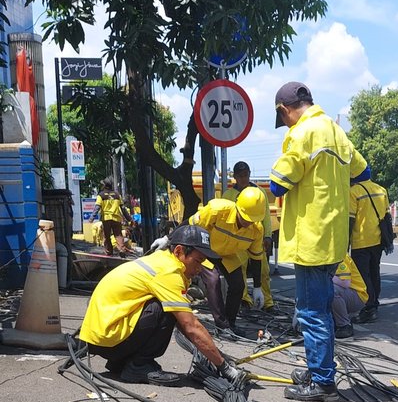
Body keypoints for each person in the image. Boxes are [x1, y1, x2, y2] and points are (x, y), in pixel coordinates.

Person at [270, 81, 367, 402]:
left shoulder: (301, 133)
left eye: (282, 118)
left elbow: (277, 185)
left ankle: (323, 383)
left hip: (311, 239)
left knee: (311, 311)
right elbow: (363, 172)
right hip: (334, 237)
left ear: (284, 110)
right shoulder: (337, 132)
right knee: (321, 307)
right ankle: (317, 367)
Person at [78, 224, 245, 386]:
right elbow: (190, 326)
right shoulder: (169, 272)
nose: (200, 268)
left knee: (168, 309)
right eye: (198, 261)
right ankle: (138, 366)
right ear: (179, 251)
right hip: (108, 340)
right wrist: (225, 367)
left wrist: (218, 356)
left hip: (104, 337)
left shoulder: (163, 260)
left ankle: (123, 363)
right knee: (166, 311)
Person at [189, 187, 266, 339]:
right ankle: (222, 326)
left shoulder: (256, 230)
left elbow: (256, 258)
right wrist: (168, 239)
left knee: (238, 284)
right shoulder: (217, 209)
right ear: (238, 207)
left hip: (227, 254)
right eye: (245, 217)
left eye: (252, 219)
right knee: (213, 280)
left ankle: (230, 323)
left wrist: (257, 286)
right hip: (206, 250)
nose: (247, 223)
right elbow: (190, 225)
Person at [222, 161, 275, 312]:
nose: (243, 179)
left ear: (249, 174)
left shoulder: (259, 193)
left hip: (256, 236)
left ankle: (267, 301)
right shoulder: (229, 195)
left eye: (245, 175)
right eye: (240, 176)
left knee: (263, 270)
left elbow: (265, 215)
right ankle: (245, 300)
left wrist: (268, 236)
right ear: (235, 177)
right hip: (238, 240)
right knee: (241, 270)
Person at [349, 171, 390, 323]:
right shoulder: (381, 190)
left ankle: (369, 307)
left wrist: (345, 242)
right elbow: (386, 216)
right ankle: (374, 303)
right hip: (378, 239)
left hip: (361, 241)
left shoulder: (354, 192)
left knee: (362, 276)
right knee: (374, 272)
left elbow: (350, 220)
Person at [89, 177, 133, 258]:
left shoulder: (101, 195)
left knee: (106, 236)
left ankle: (109, 252)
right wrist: (129, 219)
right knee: (118, 235)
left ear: (105, 186)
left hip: (106, 219)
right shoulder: (117, 195)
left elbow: (97, 207)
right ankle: (122, 249)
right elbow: (123, 208)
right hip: (116, 219)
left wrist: (92, 217)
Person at [331, 254, 368, 338]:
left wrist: (323, 277)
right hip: (346, 292)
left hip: (357, 296)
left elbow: (345, 282)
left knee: (331, 291)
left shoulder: (340, 256)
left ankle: (344, 325)